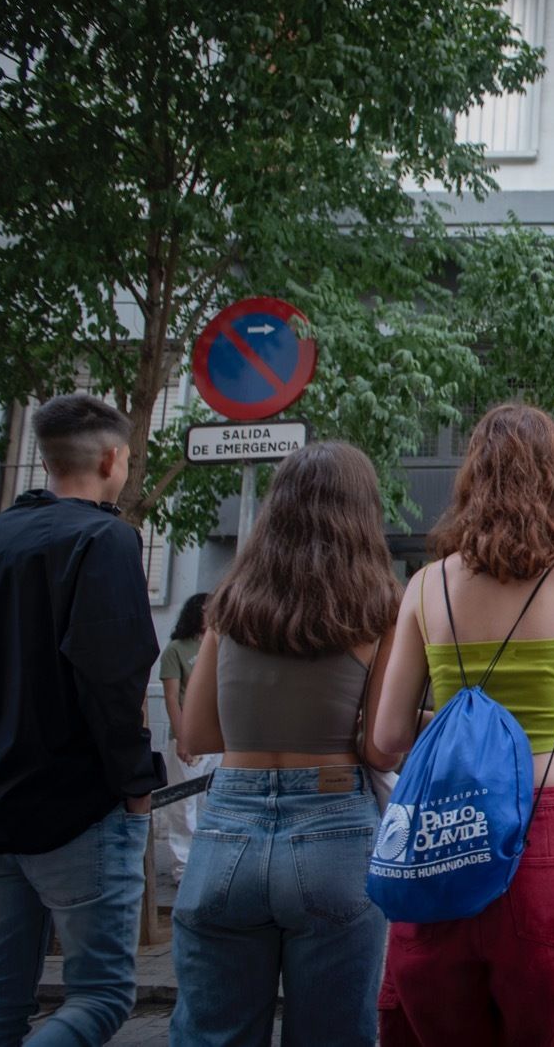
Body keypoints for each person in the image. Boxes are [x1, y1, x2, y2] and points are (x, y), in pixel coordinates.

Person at [373, 404, 554, 1046]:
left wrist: (458, 722)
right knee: (552, 1024)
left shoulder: (425, 586)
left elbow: (388, 739)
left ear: (470, 480)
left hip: (444, 823)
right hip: (549, 814)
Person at [169, 442, 402, 1045]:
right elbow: (381, 748)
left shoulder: (229, 606)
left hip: (227, 830)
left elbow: (195, 735)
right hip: (335, 834)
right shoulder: (378, 609)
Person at [0, 394, 165, 1046]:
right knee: (99, 996)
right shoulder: (105, 538)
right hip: (78, 805)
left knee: (1, 1004)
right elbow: (113, 674)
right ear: (113, 459)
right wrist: (136, 786)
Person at [158, 591, 214, 883]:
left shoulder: (220, 645)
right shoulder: (176, 650)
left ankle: (204, 865)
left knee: (209, 804)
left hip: (215, 740)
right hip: (187, 739)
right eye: (208, 609)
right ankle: (183, 868)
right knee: (183, 807)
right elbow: (171, 697)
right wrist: (183, 738)